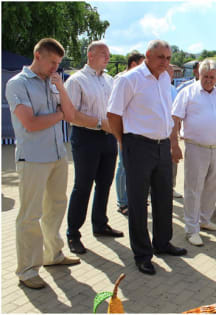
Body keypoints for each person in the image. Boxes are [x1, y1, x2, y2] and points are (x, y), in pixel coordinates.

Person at [5, 38, 80, 290]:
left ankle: (53, 255)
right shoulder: (17, 84)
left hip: (58, 155)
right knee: (30, 215)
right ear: (38, 55)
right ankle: (27, 270)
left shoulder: (54, 82)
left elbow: (71, 115)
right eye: (52, 63)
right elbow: (31, 123)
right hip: (33, 159)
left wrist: (63, 89)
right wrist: (60, 114)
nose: (55, 68)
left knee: (56, 207)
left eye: (59, 64)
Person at [107, 40, 187, 276]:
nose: (166, 62)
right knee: (138, 202)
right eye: (161, 57)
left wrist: (171, 142)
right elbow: (113, 114)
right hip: (138, 146)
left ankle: (162, 243)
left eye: (169, 58)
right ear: (148, 56)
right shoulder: (129, 79)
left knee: (164, 198)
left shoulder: (164, 78)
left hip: (162, 145)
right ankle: (142, 254)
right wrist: (124, 141)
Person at [65, 41, 123, 255]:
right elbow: (70, 114)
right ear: (90, 55)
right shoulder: (77, 81)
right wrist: (99, 123)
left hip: (108, 138)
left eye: (108, 54)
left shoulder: (109, 80)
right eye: (103, 54)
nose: (107, 58)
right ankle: (73, 233)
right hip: (86, 138)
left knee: (105, 183)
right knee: (83, 186)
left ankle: (100, 224)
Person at [171, 60, 216, 246]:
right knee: (193, 188)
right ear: (199, 74)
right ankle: (191, 229)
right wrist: (174, 145)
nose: (208, 80)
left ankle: (205, 220)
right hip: (196, 147)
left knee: (211, 187)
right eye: (205, 76)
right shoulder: (187, 93)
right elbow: (175, 119)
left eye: (212, 77)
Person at [115, 52, 145, 216]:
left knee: (135, 167)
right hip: (125, 132)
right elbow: (115, 111)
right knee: (123, 166)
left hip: (138, 133)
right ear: (134, 64)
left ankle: (134, 198)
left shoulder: (139, 79)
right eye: (142, 64)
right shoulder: (122, 79)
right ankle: (122, 202)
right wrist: (119, 135)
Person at [167, 64, 183, 199]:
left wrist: (179, 129)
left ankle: (171, 187)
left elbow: (178, 111)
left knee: (173, 161)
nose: (171, 75)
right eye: (168, 72)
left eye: (172, 73)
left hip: (171, 132)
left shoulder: (173, 89)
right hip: (159, 132)